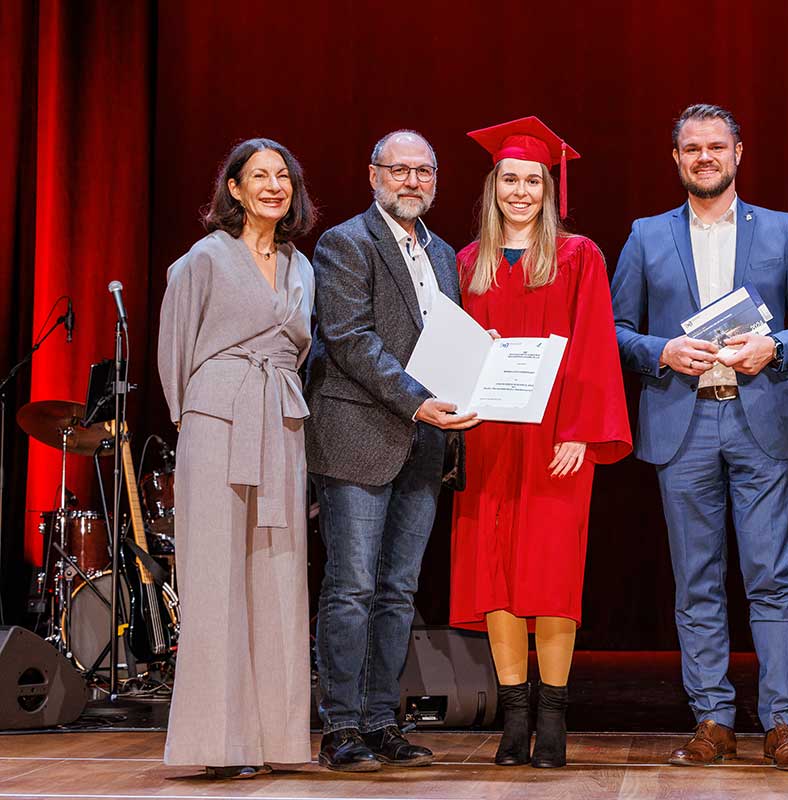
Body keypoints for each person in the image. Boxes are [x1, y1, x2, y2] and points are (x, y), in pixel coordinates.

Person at [610, 104, 788, 771]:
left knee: (772, 577)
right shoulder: (645, 236)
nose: (705, 157)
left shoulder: (783, 232)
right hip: (683, 423)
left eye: (716, 146)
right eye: (692, 148)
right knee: (696, 580)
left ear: (739, 153)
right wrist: (659, 352)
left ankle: (782, 722)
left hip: (761, 419)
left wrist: (775, 346)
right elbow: (612, 330)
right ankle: (712, 718)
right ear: (676, 158)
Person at [450, 116, 631, 769]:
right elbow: (453, 352)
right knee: (494, 574)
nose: (520, 191)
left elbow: (593, 345)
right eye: (510, 179)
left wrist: (584, 432)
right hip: (488, 437)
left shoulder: (579, 255)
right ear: (493, 185)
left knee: (550, 577)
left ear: (548, 189)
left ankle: (552, 719)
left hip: (557, 438)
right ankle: (513, 717)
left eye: (532, 180)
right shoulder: (469, 262)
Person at [306, 130, 479, 772]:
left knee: (399, 590)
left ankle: (382, 720)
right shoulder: (345, 243)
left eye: (424, 171)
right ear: (372, 174)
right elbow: (350, 339)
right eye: (399, 170)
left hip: (424, 442)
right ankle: (340, 727)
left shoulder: (441, 254)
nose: (412, 181)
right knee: (351, 586)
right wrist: (416, 400)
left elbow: (449, 341)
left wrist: (471, 379)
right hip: (357, 434)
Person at [158, 137, 316, 779]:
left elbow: (301, 349)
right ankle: (217, 744)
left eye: (283, 175)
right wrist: (201, 418)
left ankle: (277, 739)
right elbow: (175, 351)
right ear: (234, 188)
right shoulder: (202, 259)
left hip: (279, 420)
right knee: (216, 577)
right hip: (218, 422)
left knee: (279, 575)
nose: (273, 186)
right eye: (259, 176)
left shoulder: (302, 266)